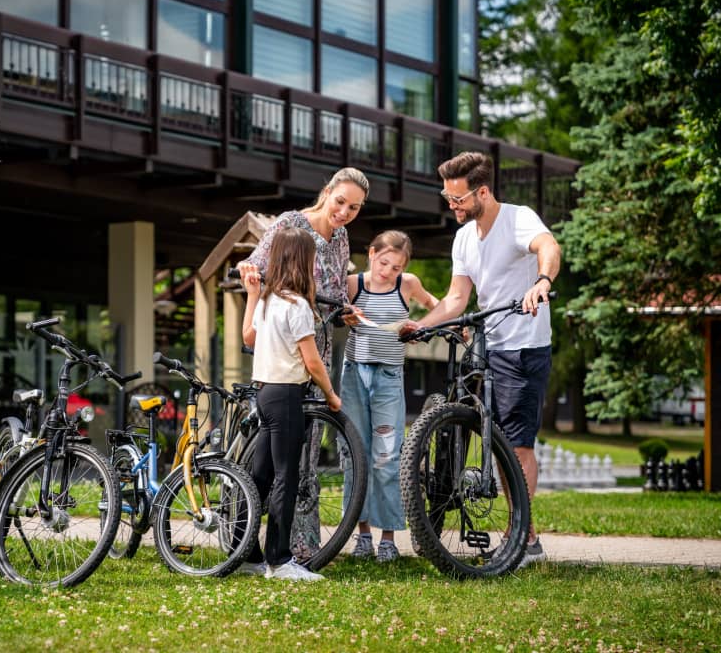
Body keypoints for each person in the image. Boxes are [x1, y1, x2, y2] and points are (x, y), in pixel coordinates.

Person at [402, 151, 560, 568]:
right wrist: (421, 326)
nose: (451, 205)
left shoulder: (517, 218)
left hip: (523, 344)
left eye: (457, 198)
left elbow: (548, 246)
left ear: (482, 191)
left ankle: (523, 536)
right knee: (472, 427)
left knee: (516, 442)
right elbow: (457, 298)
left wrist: (542, 280)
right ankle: (442, 510)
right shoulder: (464, 237)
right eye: (447, 197)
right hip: (486, 345)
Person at [238, 166, 369, 559]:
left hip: (318, 347)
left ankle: (301, 546)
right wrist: (248, 273)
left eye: (354, 207)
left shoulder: (342, 237)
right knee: (282, 460)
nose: (344, 212)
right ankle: (268, 549)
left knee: (306, 454)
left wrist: (345, 310)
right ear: (327, 192)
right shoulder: (291, 224)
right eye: (340, 201)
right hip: (287, 355)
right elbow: (258, 266)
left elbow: (333, 291)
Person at [236, 228, 342, 581]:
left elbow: (247, 337)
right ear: (303, 261)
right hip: (286, 396)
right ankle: (280, 561)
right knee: (287, 476)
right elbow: (313, 363)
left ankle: (245, 552)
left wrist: (252, 294)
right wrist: (330, 394)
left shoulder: (268, 301)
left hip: (264, 393)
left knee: (259, 477)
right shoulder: (297, 306)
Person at [341, 230, 438, 563]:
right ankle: (362, 535)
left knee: (386, 457)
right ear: (371, 254)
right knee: (358, 455)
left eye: (396, 267)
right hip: (354, 374)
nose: (388, 272)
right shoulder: (354, 284)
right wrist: (346, 318)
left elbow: (433, 305)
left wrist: (421, 325)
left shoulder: (407, 284)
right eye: (384, 263)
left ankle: (388, 538)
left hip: (388, 377)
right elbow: (337, 315)